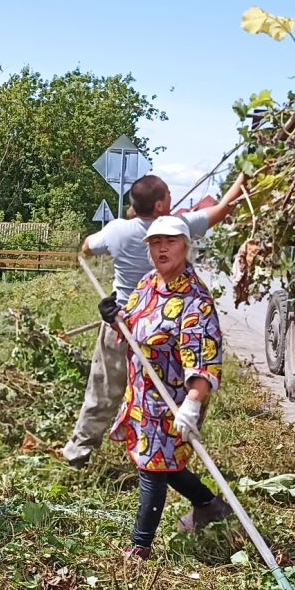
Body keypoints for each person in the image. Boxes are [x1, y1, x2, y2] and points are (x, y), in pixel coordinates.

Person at [60, 172, 247, 467]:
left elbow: (86, 247)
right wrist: (245, 175)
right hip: (161, 332)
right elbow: (224, 208)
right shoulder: (181, 227)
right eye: (168, 196)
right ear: (160, 205)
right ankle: (166, 456)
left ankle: (80, 451)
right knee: (162, 396)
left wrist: (124, 224)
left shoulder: (117, 229)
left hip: (120, 324)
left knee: (104, 390)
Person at [104, 214, 233, 560]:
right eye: (155, 242)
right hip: (143, 395)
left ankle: (139, 548)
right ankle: (208, 504)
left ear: (186, 246)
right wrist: (115, 317)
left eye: (170, 242)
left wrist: (193, 402)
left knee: (153, 468)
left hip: (173, 401)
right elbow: (131, 330)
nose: (162, 248)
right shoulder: (148, 284)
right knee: (165, 464)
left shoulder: (195, 300)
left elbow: (204, 357)